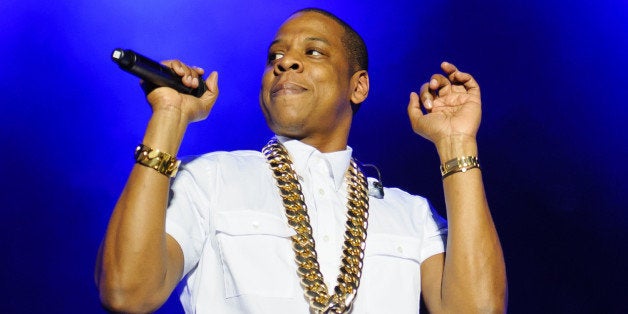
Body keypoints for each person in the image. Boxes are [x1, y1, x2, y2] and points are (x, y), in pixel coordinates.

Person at [96, 8, 507, 314]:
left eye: (313, 52)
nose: (285, 62)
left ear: (358, 86)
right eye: (275, 55)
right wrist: (169, 116)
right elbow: (127, 291)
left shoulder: (410, 215)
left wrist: (457, 143)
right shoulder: (211, 180)